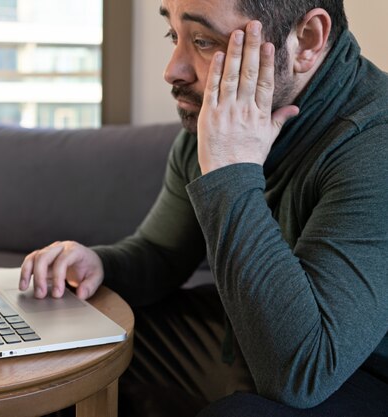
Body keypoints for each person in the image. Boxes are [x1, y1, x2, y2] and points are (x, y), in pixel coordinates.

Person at [20, 0, 388, 415]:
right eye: (173, 36)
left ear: (306, 40)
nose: (173, 70)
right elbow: (162, 254)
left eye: (202, 40)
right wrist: (100, 263)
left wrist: (231, 168)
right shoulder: (215, 124)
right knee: (62, 354)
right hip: (245, 342)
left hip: (356, 373)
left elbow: (302, 372)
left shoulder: (375, 145)